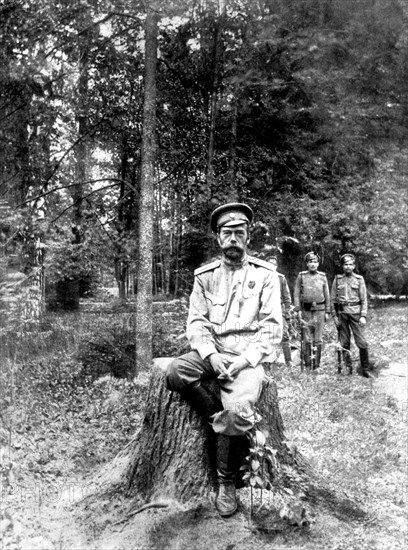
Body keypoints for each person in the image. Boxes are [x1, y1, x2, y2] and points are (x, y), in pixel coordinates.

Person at [166, 203, 282, 518]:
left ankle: (226, 482)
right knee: (176, 373)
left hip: (247, 356)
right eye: (226, 233)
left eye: (238, 233)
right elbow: (196, 323)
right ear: (218, 238)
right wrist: (211, 355)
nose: (232, 238)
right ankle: (219, 419)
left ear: (248, 237)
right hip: (214, 350)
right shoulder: (205, 276)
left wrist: (244, 361)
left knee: (238, 411)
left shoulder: (266, 275)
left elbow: (272, 329)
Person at [330, 253, 370, 377]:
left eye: (351, 264)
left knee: (362, 343)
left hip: (356, 314)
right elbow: (333, 300)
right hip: (342, 314)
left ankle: (365, 369)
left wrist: (363, 316)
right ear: (342, 266)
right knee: (344, 342)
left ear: (354, 266)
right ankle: (348, 368)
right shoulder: (337, 279)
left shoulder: (359, 279)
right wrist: (335, 317)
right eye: (346, 264)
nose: (348, 267)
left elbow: (364, 300)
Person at [293, 252, 330, 370]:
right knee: (307, 338)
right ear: (307, 264)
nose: (313, 264)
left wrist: (328, 311)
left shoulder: (322, 277)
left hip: (320, 310)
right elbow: (296, 294)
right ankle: (308, 364)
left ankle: (317, 365)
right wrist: (298, 309)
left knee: (318, 338)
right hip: (306, 311)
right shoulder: (302, 276)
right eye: (310, 262)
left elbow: (327, 295)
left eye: (315, 262)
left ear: (318, 264)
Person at [267, 256, 294, 368]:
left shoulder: (281, 278)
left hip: (279, 309)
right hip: (266, 310)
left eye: (274, 263)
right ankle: (269, 361)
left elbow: (286, 297)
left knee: (284, 335)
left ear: (276, 266)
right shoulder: (262, 278)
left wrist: (287, 312)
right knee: (267, 335)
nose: (272, 265)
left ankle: (288, 361)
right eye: (269, 263)